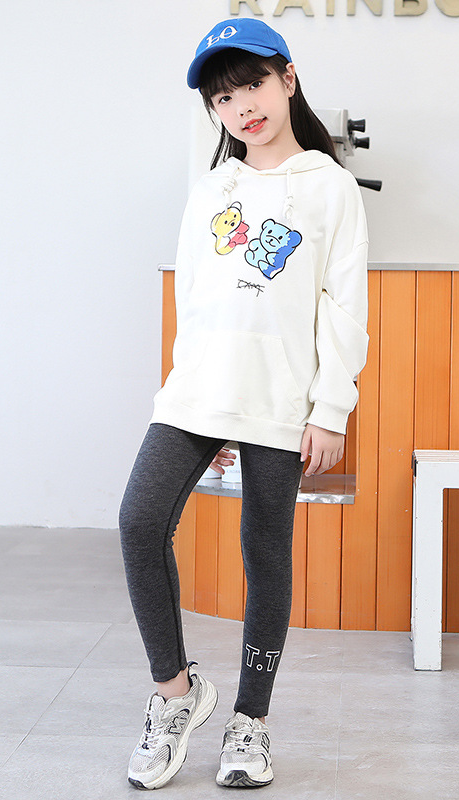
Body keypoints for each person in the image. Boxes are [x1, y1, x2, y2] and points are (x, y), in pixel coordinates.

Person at [119, 17, 369, 790]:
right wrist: (199, 391)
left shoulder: (329, 187)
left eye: (253, 85)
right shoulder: (212, 189)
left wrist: (330, 409)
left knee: (265, 553)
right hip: (199, 392)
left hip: (281, 399)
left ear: (287, 78)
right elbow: (194, 302)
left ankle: (250, 722)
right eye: (223, 99)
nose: (242, 108)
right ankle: (176, 694)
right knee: (138, 522)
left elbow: (344, 307)